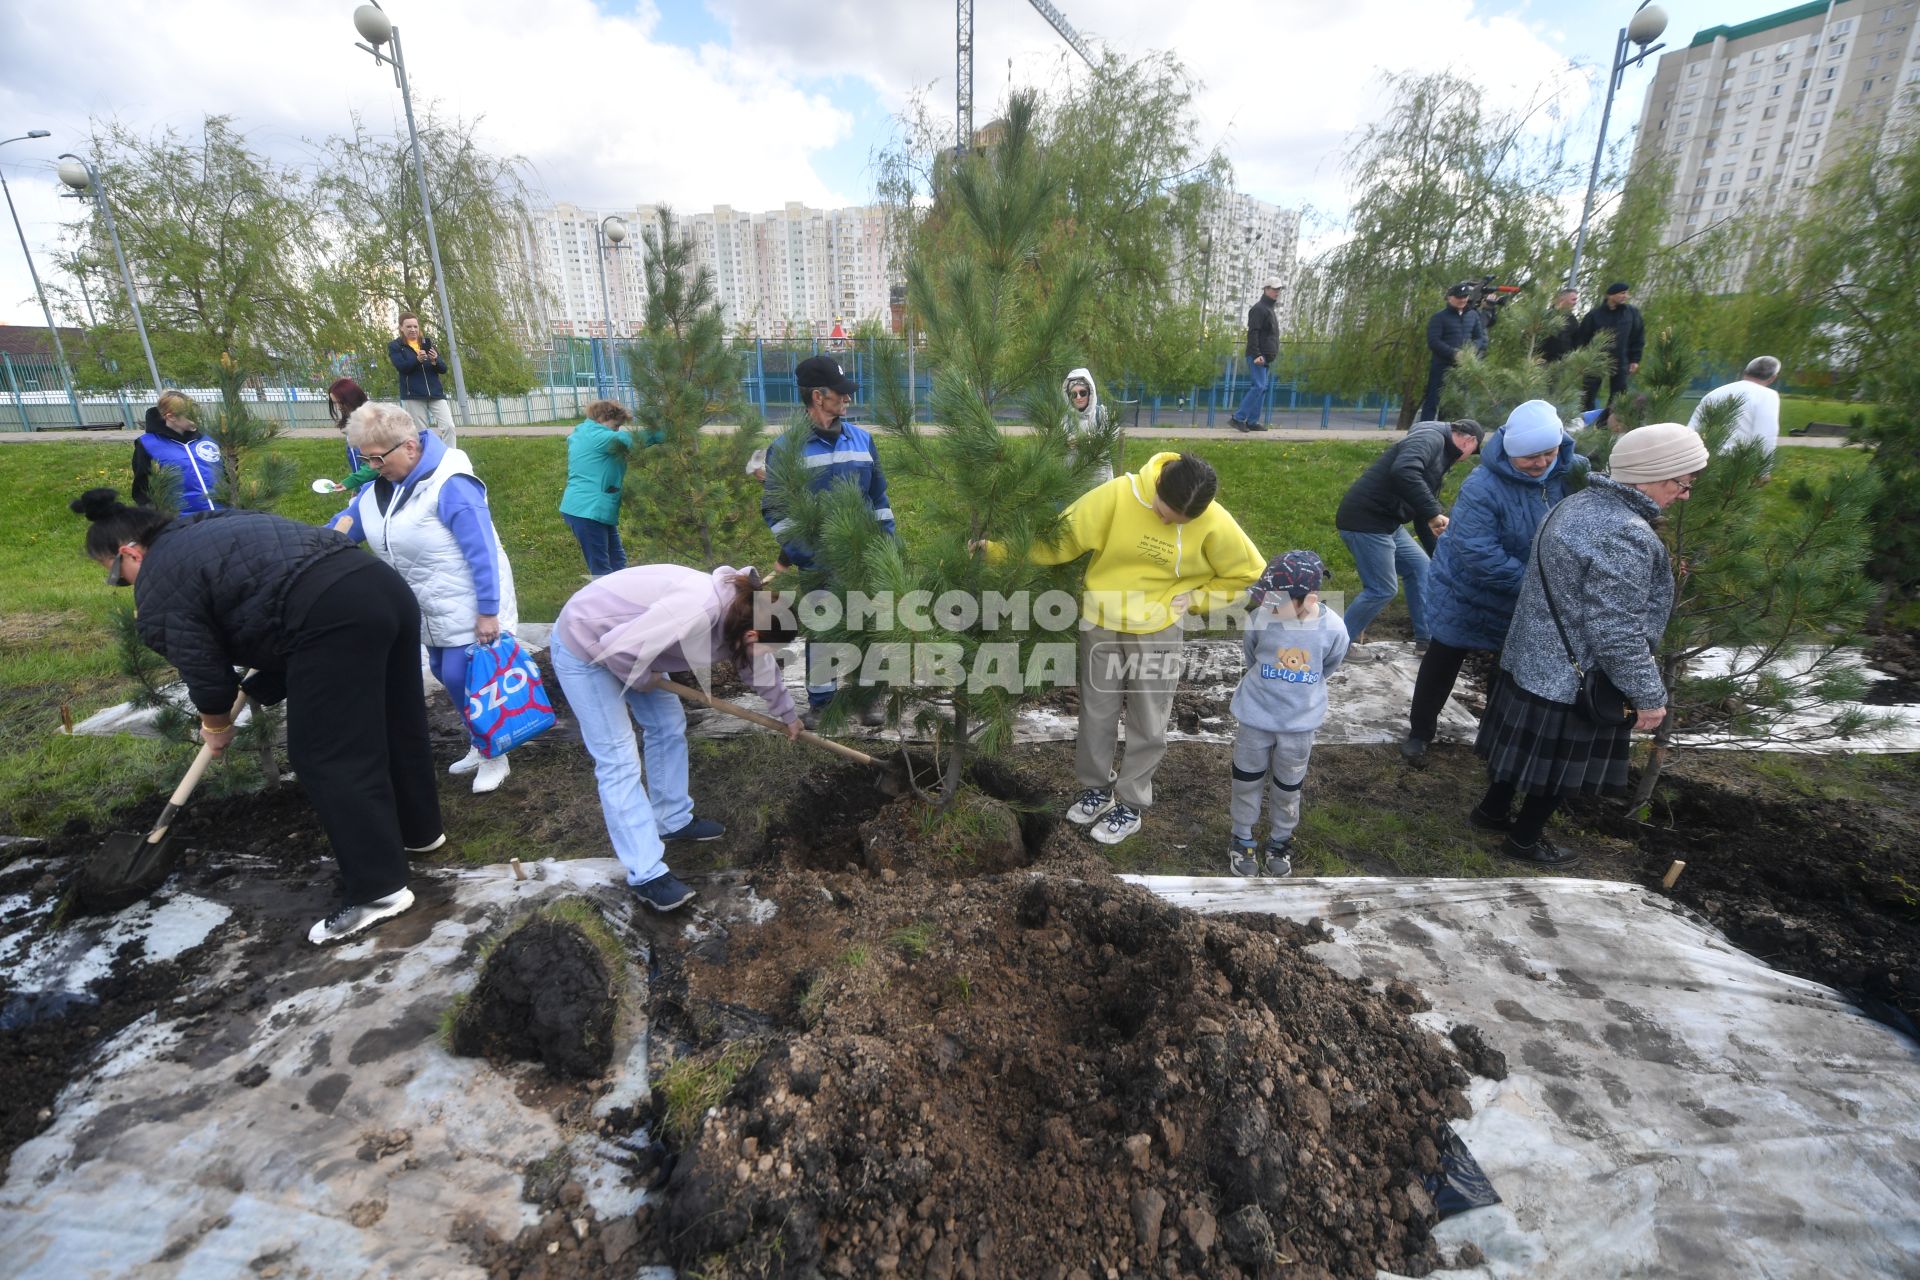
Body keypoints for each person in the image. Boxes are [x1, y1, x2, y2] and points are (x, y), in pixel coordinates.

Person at [71, 488, 440, 944]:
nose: (124, 584)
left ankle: (380, 892)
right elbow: (268, 598)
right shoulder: (204, 525)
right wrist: (259, 685)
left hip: (332, 614)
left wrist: (216, 724)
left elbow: (205, 671)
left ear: (129, 553)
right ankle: (421, 832)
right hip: (379, 588)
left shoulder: (159, 579)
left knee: (325, 756)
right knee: (396, 720)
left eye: (116, 575)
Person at [978, 452, 1264, 846]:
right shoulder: (1117, 495)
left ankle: (1130, 804)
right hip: (1102, 620)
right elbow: (1059, 541)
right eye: (1164, 513)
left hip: (1158, 628)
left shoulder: (1213, 520)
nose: (1166, 522)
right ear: (1157, 487)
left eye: (1179, 523)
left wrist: (1199, 598)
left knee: (1149, 717)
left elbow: (1248, 571)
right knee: (1097, 709)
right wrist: (997, 551)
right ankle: (1097, 788)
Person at [1471, 422, 1707, 865]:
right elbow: (1616, 631)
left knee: (1523, 754)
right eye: (1682, 482)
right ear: (1652, 475)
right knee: (1554, 767)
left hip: (1531, 658)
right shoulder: (1625, 533)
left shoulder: (1576, 504)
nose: (1686, 493)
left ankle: (1491, 810)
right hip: (1572, 674)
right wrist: (1648, 696)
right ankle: (1524, 840)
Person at [550, 565, 802, 912]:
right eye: (768, 648)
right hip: (588, 645)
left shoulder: (741, 618)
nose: (766, 656)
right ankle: (646, 873)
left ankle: (672, 819)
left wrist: (787, 714)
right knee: (618, 757)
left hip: (635, 642)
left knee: (667, 723)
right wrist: (642, 679)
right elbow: (616, 649)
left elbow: (755, 664)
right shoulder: (696, 611)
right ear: (752, 636)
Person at [335, 403, 520, 793]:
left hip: (470, 601)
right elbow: (345, 526)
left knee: (463, 677)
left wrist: (489, 611)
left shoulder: (451, 484)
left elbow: (482, 550)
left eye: (376, 458)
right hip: (429, 605)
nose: (371, 466)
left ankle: (495, 754)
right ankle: (479, 742)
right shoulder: (377, 489)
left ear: (409, 447)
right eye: (364, 458)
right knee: (441, 670)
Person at [1402, 401, 1577, 766]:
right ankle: (1419, 732)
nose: (1543, 463)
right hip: (1466, 589)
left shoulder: (1571, 473)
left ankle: (1494, 736)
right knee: (1445, 655)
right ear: (1511, 452)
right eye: (1531, 457)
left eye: (1550, 452)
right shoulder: (1482, 486)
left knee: (1508, 665)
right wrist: (1541, 583)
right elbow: (1479, 553)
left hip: (1527, 593)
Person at [761, 354, 894, 729]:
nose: (848, 399)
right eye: (841, 393)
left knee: (869, 625)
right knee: (823, 629)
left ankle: (868, 699)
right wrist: (808, 556)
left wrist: (887, 547)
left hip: (865, 557)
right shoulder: (786, 450)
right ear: (818, 397)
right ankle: (822, 702)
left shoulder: (862, 440)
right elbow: (777, 511)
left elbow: (879, 499)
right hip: (818, 562)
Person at [1228, 551, 1349, 878]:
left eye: (1276, 601)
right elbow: (1251, 654)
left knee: (1287, 786)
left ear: (1308, 600)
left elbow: (1330, 665)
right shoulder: (1260, 619)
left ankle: (1280, 839)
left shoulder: (1333, 629)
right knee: (1246, 779)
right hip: (1255, 718)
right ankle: (1242, 837)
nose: (1268, 606)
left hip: (1298, 727)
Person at [1333, 418, 1483, 650]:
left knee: (1421, 567)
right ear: (1469, 441)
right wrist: (1434, 513)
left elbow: (1424, 513)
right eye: (1474, 452)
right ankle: (1336, 644)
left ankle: (1427, 640)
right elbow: (1404, 470)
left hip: (1389, 523)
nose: (1468, 458)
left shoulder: (1440, 451)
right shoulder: (1431, 438)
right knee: (1381, 589)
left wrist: (1439, 555)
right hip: (1366, 521)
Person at [559, 399, 639, 577]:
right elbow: (629, 440)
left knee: (617, 561)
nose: (618, 430)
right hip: (587, 509)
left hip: (593, 507)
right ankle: (604, 603)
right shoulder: (596, 436)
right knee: (601, 568)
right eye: (616, 425)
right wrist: (667, 432)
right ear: (603, 418)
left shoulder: (587, 433)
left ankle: (622, 600)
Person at [131, 391, 223, 515]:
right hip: (182, 522)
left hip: (224, 515)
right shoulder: (148, 445)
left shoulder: (209, 439)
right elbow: (143, 489)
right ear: (171, 417)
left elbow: (230, 475)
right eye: (190, 416)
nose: (196, 420)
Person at [1687, 356, 1782, 463]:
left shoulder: (1715, 393)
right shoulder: (1768, 395)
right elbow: (1765, 435)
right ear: (1773, 378)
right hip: (1739, 463)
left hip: (1704, 459)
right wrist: (1763, 470)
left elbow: (1692, 429)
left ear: (1745, 372)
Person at [1420, 285, 1489, 421]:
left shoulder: (1473, 315)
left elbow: (1480, 338)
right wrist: (1454, 354)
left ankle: (1449, 433)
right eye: (1459, 297)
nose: (1462, 300)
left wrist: (1470, 351)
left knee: (1455, 403)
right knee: (1433, 400)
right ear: (1450, 298)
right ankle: (1423, 431)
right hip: (1442, 366)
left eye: (1465, 297)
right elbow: (1433, 341)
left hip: (1463, 368)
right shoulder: (1439, 317)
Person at [387, 313, 457, 446]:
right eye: (409, 326)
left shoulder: (427, 343)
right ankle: (426, 459)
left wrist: (435, 360)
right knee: (422, 433)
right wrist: (417, 360)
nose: (413, 329)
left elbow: (443, 369)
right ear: (401, 328)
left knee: (449, 426)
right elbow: (401, 367)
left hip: (435, 393)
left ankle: (450, 457)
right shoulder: (396, 346)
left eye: (415, 326)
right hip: (413, 395)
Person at [1576, 282, 1645, 412]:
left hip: (1621, 359)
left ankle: (1609, 423)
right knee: (1588, 394)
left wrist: (1635, 359)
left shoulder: (1632, 313)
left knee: (1618, 395)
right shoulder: (1594, 315)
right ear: (1610, 295)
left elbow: (1638, 336)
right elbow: (1582, 338)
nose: (1626, 296)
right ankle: (1584, 421)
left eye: (1626, 293)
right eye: (1622, 293)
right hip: (1596, 360)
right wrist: (1583, 360)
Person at [1229, 276, 1283, 431]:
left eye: (1279, 289)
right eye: (1274, 289)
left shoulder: (1269, 310)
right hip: (1258, 355)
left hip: (1266, 356)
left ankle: (1252, 422)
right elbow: (1253, 333)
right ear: (1266, 289)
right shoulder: (1259, 309)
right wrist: (1257, 354)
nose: (1277, 292)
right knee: (1258, 386)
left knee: (1262, 388)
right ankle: (1238, 418)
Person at [1061, 367, 1119, 484]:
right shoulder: (1065, 418)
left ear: (1090, 392)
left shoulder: (1101, 414)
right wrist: (1067, 441)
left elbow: (1113, 434)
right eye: (1073, 394)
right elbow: (1056, 442)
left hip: (1099, 478)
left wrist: (1095, 439)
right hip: (1074, 477)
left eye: (1082, 393)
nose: (1078, 397)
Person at [324, 378, 378, 491]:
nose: (338, 407)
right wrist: (356, 488)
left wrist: (349, 483)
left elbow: (374, 464)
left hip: (378, 488)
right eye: (335, 403)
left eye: (340, 402)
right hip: (365, 486)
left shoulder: (367, 425)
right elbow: (359, 462)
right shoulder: (354, 422)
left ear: (351, 399)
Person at [1539, 288, 1582, 363]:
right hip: (1542, 362)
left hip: (1562, 364)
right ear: (1562, 299)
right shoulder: (1546, 316)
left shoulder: (1573, 320)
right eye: (1573, 299)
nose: (1575, 303)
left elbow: (1576, 341)